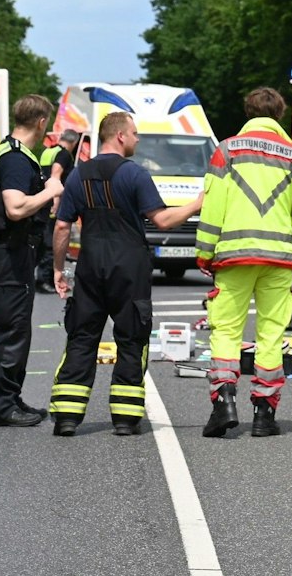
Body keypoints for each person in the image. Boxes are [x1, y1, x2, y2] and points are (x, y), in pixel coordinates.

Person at [50, 113, 203, 436]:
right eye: (135, 133)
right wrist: (196, 204)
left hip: (90, 265)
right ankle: (125, 418)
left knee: (82, 337)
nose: (137, 139)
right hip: (129, 267)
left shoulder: (77, 176)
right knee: (132, 339)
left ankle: (67, 416)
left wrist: (58, 269)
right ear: (119, 135)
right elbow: (161, 220)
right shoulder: (134, 175)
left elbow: (63, 226)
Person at [196, 87, 292, 438]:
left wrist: (204, 250)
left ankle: (224, 401)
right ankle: (264, 413)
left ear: (248, 112)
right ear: (280, 114)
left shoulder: (226, 150)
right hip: (279, 259)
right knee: (271, 335)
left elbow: (213, 204)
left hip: (233, 255)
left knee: (227, 331)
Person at [0, 95, 65, 428]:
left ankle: (10, 398)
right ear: (42, 122)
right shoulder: (16, 160)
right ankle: (3, 406)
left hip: (7, 251)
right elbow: (15, 208)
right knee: (12, 330)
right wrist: (51, 190)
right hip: (12, 252)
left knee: (13, 327)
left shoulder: (5, 151)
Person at [35, 128, 83, 290]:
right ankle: (46, 280)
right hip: (53, 201)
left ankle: (40, 277)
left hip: (42, 200)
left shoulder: (47, 152)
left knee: (44, 241)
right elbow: (55, 175)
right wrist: (55, 202)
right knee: (52, 242)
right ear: (74, 142)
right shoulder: (63, 155)